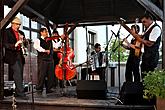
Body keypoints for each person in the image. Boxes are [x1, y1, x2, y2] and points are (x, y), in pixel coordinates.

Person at [3, 17, 28, 99]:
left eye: (19, 24)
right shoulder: (7, 32)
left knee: (20, 74)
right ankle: (21, 93)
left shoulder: (21, 32)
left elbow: (25, 44)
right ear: (12, 23)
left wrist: (24, 41)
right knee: (17, 73)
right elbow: (5, 44)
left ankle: (18, 92)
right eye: (17, 24)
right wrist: (15, 44)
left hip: (20, 55)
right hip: (12, 55)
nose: (18, 26)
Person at [33, 27, 56, 95]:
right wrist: (44, 50)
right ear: (41, 33)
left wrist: (61, 39)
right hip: (42, 59)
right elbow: (36, 47)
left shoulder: (50, 40)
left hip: (50, 59)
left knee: (50, 75)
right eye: (45, 32)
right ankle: (39, 88)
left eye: (47, 32)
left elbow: (56, 45)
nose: (46, 33)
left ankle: (49, 88)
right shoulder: (38, 40)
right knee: (41, 74)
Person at [139, 13, 161, 79]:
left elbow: (150, 43)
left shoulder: (156, 28)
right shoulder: (147, 29)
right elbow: (142, 37)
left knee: (149, 76)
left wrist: (138, 38)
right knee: (144, 75)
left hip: (152, 57)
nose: (143, 24)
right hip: (146, 56)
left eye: (144, 22)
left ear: (149, 19)